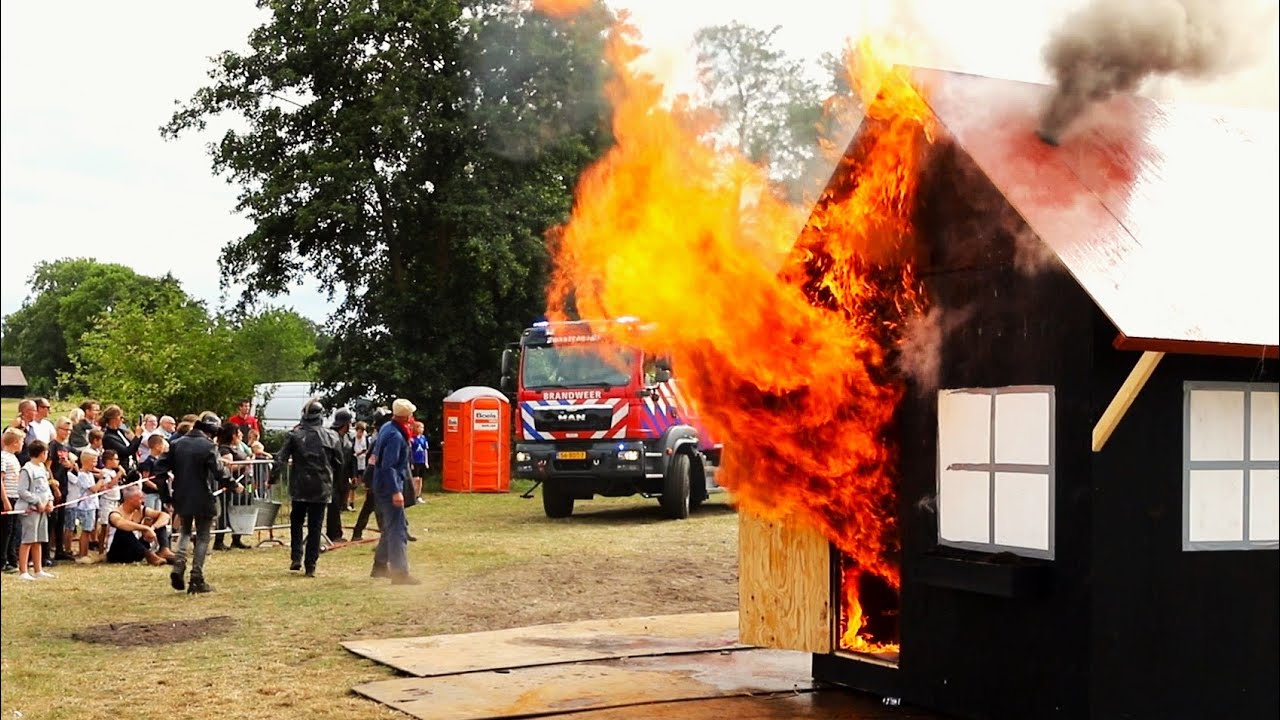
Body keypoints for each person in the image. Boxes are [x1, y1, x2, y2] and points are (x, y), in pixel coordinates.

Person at [159, 412, 236, 594]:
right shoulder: (208, 446)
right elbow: (219, 472)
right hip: (203, 495)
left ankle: (178, 564)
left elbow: (160, 472)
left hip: (181, 495)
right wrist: (233, 484)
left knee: (185, 531)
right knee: (202, 536)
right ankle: (196, 578)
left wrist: (166, 497)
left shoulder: (176, 444)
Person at [273, 400, 343, 577]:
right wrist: (335, 483)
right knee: (315, 526)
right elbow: (339, 462)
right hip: (322, 487)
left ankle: (296, 557)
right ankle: (310, 565)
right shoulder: (332, 436)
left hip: (300, 486)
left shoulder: (294, 435)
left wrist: (272, 478)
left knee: (296, 522)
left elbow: (280, 458)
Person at [369, 399, 420, 585]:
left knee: (391, 526)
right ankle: (400, 573)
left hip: (382, 485)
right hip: (389, 486)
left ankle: (380, 566)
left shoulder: (387, 427)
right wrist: (396, 491)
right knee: (398, 529)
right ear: (407, 416)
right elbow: (388, 466)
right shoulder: (396, 436)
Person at [16, 440, 56, 580]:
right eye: (46, 452)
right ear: (41, 453)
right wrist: (37, 502)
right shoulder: (27, 469)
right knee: (27, 540)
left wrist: (50, 501)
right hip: (30, 510)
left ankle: (38, 570)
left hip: (43, 510)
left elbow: (46, 488)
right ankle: (23, 571)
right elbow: (22, 491)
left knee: (38, 540)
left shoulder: (42, 468)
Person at [106, 486, 172, 565]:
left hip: (136, 550)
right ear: (130, 500)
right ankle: (149, 555)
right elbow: (120, 523)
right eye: (140, 499)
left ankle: (164, 550)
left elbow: (165, 516)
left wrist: (153, 528)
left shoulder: (141, 509)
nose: (143, 501)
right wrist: (145, 528)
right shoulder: (115, 513)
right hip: (118, 553)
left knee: (159, 522)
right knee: (124, 530)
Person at [326, 409, 355, 542]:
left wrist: (353, 474)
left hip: (343, 475)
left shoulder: (348, 438)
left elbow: (352, 457)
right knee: (333, 504)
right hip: (332, 475)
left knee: (339, 505)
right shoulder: (331, 436)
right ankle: (334, 533)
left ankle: (337, 532)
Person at [1, 427, 24, 572]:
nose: (23, 444)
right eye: (21, 441)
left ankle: (11, 558)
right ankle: (2, 560)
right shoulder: (3, 457)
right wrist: (5, 500)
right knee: (5, 531)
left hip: (16, 497)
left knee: (14, 530)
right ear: (15, 442)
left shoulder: (13, 457)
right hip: (7, 498)